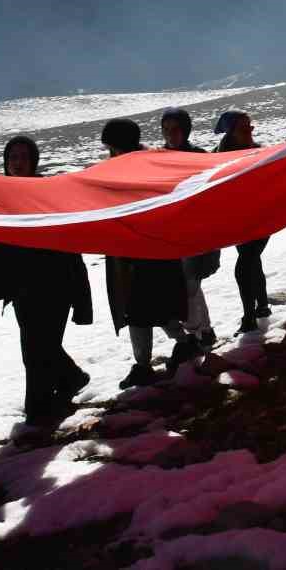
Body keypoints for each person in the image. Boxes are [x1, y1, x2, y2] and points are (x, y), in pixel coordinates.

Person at [2, 135, 93, 427]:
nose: (17, 163)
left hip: (56, 284)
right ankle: (70, 380)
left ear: (33, 161)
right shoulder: (0, 196)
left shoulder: (47, 193)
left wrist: (79, 293)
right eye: (12, 157)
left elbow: (67, 242)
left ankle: (39, 408)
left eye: (23, 157)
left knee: (38, 347)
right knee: (38, 345)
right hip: (22, 287)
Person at [99, 118, 191, 389]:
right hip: (151, 249)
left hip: (137, 251)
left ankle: (144, 365)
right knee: (157, 308)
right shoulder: (151, 162)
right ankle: (184, 345)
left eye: (111, 146)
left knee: (139, 310)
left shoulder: (127, 167)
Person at [160, 107, 219, 352]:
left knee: (190, 286)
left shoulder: (199, 157)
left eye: (176, 129)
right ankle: (204, 331)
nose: (171, 135)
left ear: (186, 130)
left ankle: (196, 336)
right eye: (166, 130)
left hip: (195, 233)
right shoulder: (157, 159)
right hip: (170, 233)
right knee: (187, 286)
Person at [213, 110, 272, 333]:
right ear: (231, 132)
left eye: (250, 127)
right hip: (238, 221)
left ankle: (249, 317)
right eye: (243, 129)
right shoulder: (217, 158)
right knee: (251, 259)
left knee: (245, 263)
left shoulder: (258, 153)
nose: (249, 132)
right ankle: (263, 306)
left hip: (261, 219)